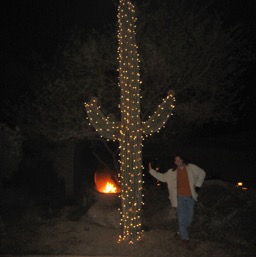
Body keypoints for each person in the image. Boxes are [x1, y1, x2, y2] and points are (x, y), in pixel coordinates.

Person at [149, 155, 206, 242]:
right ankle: (184, 238)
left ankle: (180, 232)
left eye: (179, 159)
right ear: (174, 162)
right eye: (176, 160)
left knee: (189, 218)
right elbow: (162, 177)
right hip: (179, 197)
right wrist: (151, 171)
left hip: (190, 197)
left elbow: (202, 173)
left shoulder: (191, 167)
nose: (177, 161)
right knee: (181, 217)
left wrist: (198, 185)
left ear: (182, 159)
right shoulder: (171, 172)